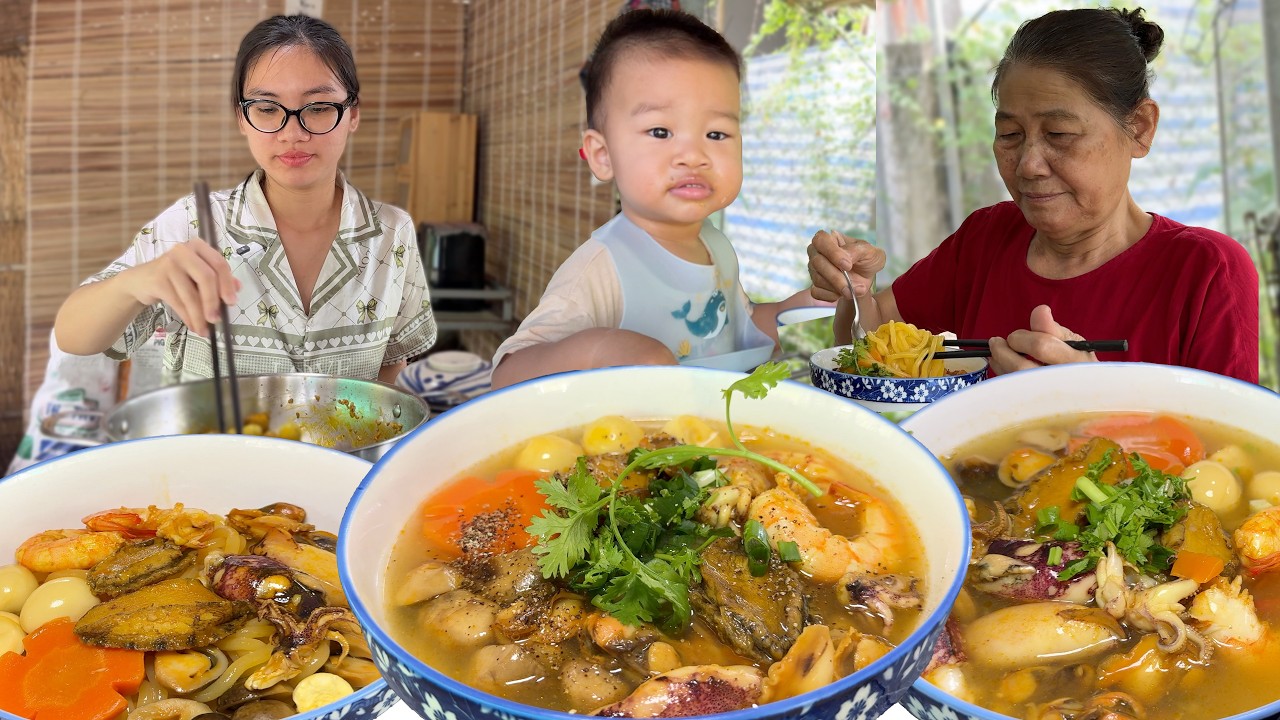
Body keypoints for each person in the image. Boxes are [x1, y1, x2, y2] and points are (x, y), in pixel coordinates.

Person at [807, 7, 1259, 382]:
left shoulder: (1204, 271)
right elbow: (868, 350)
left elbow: (1232, 463)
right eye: (1010, 134)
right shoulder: (986, 238)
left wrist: (1094, 404)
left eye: (1060, 133)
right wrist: (856, 290)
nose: (1028, 164)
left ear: (1139, 128)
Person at [54, 15, 435, 384]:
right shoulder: (194, 224)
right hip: (214, 448)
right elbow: (74, 337)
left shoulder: (391, 233)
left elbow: (391, 364)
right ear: (242, 117)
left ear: (352, 113)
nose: (292, 133)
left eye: (318, 108)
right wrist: (133, 283)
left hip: (341, 450)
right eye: (268, 109)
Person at [491, 9, 818, 390]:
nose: (694, 155)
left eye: (716, 134)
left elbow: (734, 333)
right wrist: (598, 350)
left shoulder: (715, 245)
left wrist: (798, 307)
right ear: (603, 155)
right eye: (661, 131)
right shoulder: (602, 267)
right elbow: (506, 377)